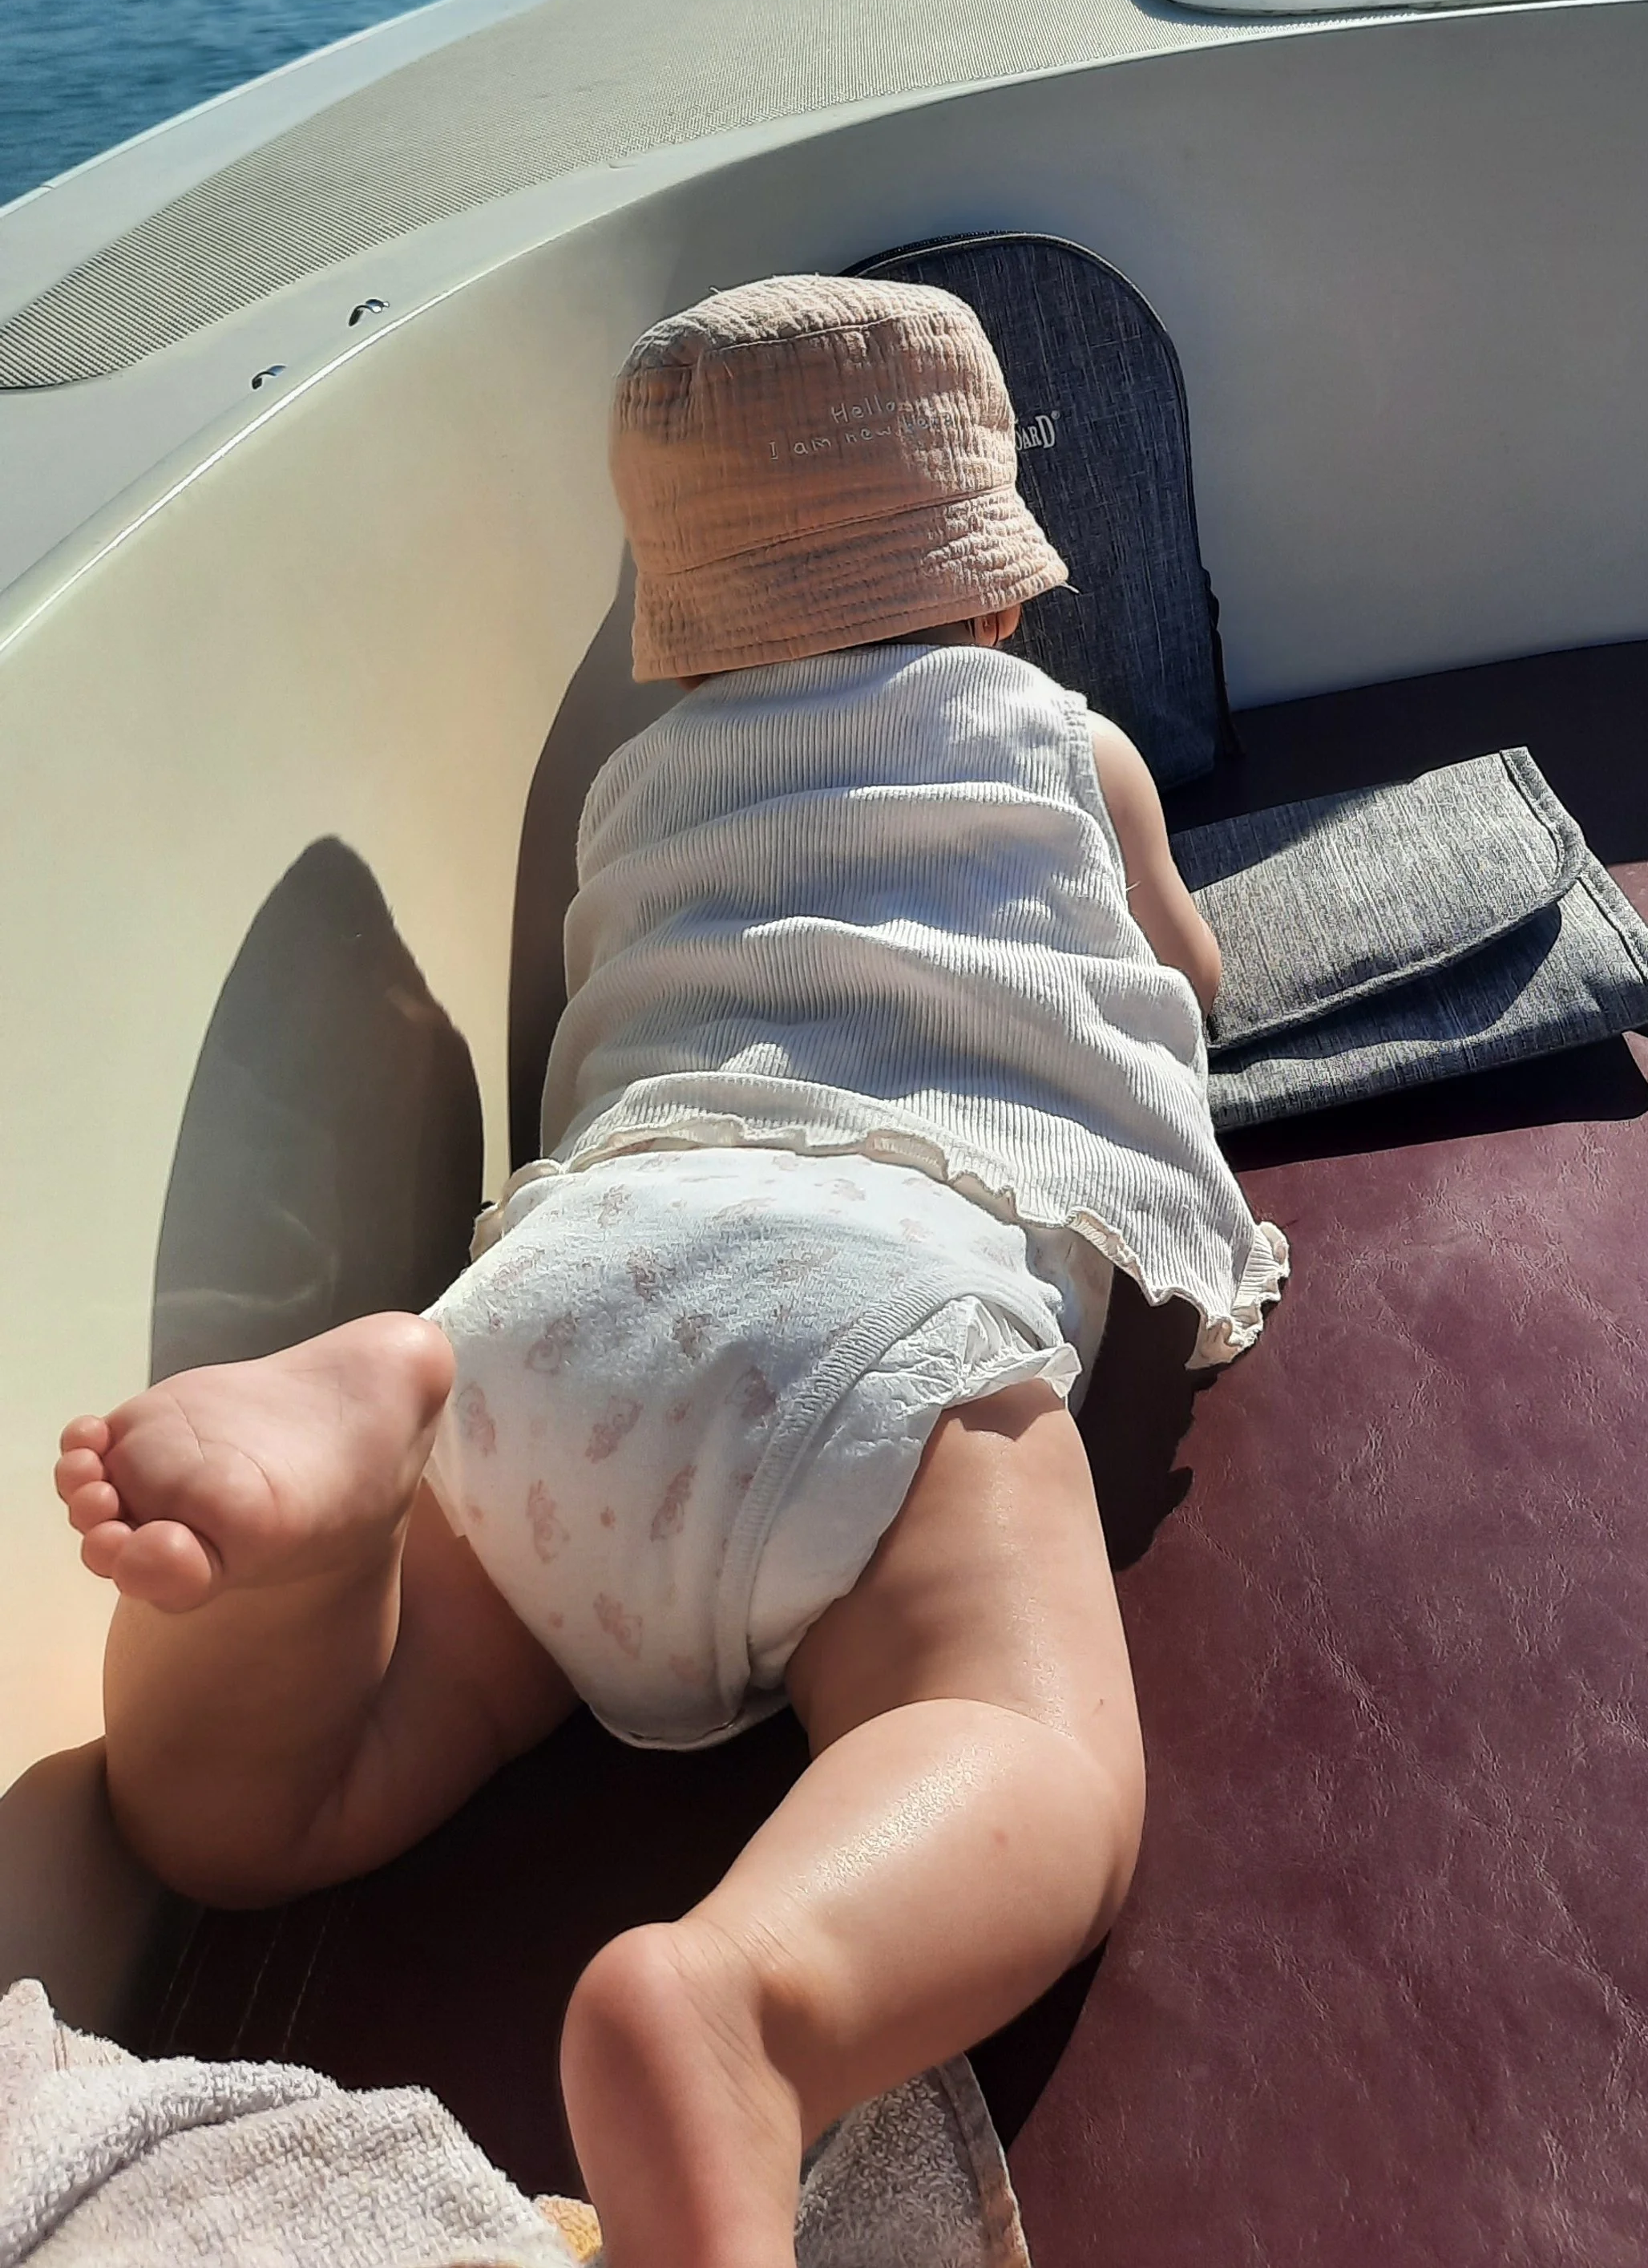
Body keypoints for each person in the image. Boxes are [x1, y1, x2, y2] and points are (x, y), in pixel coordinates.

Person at [54, 274, 1285, 2268]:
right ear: (992, 589)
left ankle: (320, 1528)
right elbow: (1185, 990)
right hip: (878, 1301)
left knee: (250, 1824)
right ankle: (743, 2001)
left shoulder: (636, 788)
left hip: (561, 1300)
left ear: (682, 618)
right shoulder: (1067, 743)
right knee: (1028, 1745)